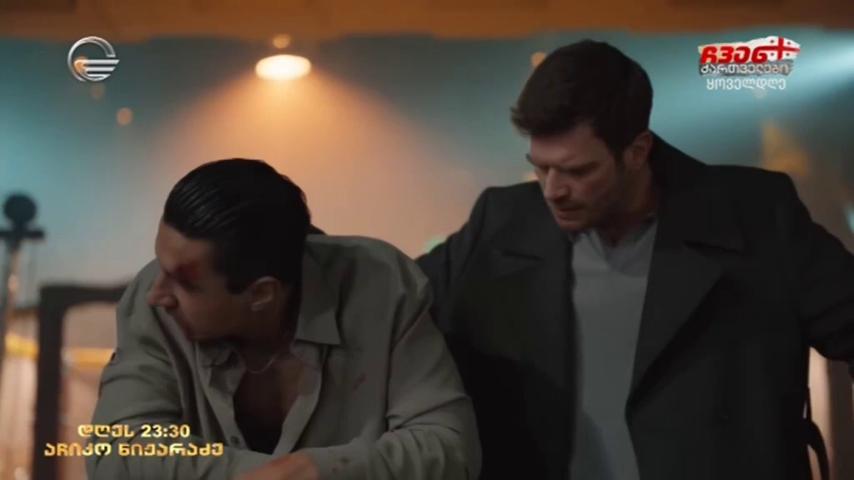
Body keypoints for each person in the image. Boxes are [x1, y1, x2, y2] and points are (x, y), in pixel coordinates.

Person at [416, 39, 854, 480]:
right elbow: (397, 309)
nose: (553, 190)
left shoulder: (756, 218)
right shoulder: (501, 224)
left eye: (578, 171)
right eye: (541, 167)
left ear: (637, 151)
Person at [87, 159, 480, 480]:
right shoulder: (156, 305)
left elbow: (450, 448)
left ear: (261, 294)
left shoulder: (381, 287)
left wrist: (319, 471)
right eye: (161, 265)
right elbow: (117, 449)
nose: (157, 294)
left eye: (186, 284)